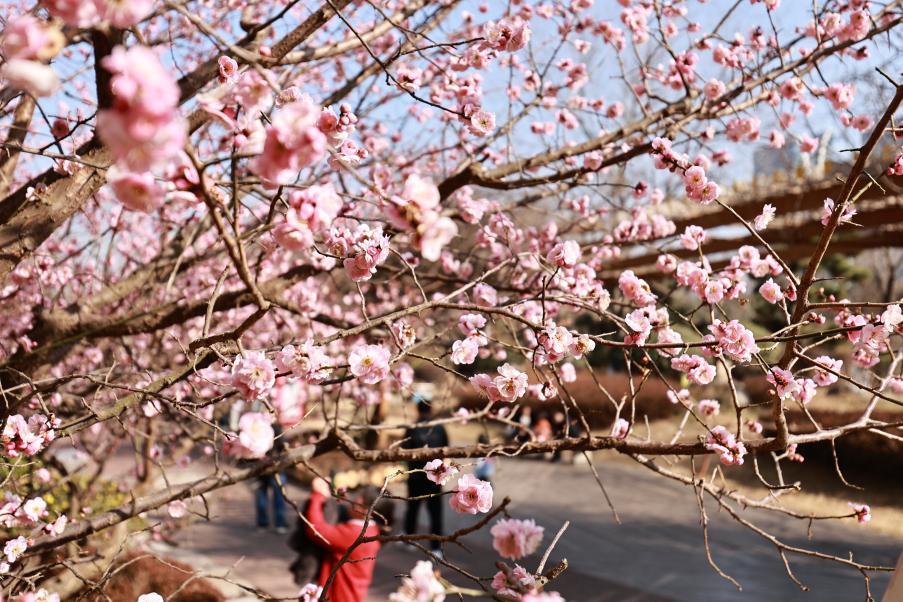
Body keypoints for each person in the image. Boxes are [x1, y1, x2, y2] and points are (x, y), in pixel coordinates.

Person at [302, 477, 392, 602]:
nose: (354, 498)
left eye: (360, 497)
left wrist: (317, 495)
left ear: (367, 511)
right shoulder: (372, 530)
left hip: (338, 595)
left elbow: (316, 530)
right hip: (351, 594)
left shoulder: (355, 534)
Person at [402, 394, 449, 557]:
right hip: (435, 478)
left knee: (412, 509)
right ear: (431, 409)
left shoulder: (412, 428)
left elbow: (404, 451)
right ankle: (436, 547)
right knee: (436, 513)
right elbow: (446, 450)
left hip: (416, 477)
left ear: (418, 409)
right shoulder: (439, 427)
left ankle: (409, 539)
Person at [254, 424, 288, 533]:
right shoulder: (276, 428)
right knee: (278, 497)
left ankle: (262, 524)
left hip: (261, 468)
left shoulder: (256, 427)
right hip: (276, 468)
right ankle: (279, 524)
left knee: (262, 496)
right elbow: (283, 447)